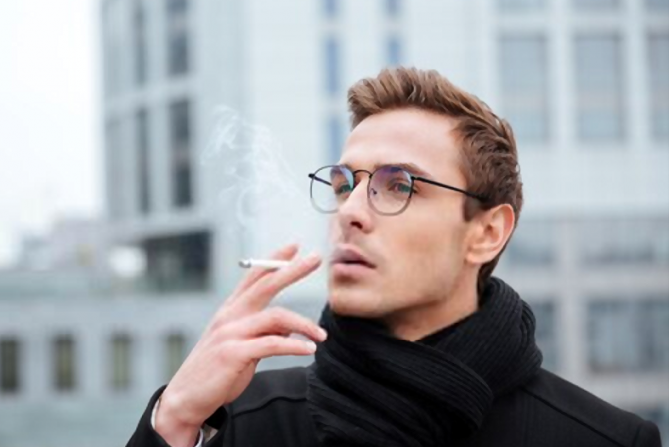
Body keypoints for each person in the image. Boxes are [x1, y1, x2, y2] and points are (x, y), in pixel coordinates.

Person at [126, 68, 663, 447]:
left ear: (486, 232)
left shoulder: (603, 439)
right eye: (343, 184)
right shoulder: (243, 422)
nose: (350, 212)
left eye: (396, 185)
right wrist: (172, 418)